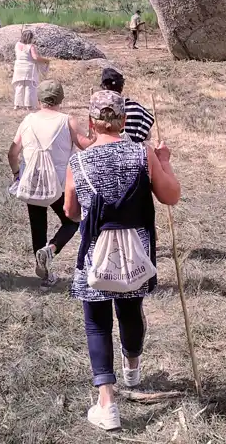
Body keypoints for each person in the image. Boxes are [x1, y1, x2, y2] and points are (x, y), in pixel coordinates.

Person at [63, 90, 181, 431]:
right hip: (136, 253)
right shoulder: (143, 153)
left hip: (95, 255)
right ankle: (132, 366)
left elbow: (71, 213)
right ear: (124, 122)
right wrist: (165, 160)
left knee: (96, 322)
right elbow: (171, 196)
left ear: (91, 123)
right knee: (130, 310)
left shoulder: (78, 163)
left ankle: (107, 403)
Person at [7, 80, 95, 288]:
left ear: (39, 100)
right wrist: (93, 131)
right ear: (61, 99)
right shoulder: (67, 121)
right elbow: (87, 146)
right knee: (72, 221)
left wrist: (17, 174)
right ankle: (52, 248)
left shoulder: (27, 120)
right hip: (59, 184)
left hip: (33, 181)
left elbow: (12, 153)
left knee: (38, 227)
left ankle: (45, 274)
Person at [100, 66, 154, 143]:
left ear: (103, 87)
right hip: (136, 153)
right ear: (121, 86)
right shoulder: (138, 110)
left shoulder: (98, 111)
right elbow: (147, 137)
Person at [12, 30, 49, 110]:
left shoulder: (17, 45)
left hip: (18, 67)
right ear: (31, 37)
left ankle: (17, 105)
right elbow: (35, 57)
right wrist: (45, 60)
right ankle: (28, 105)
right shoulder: (31, 46)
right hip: (28, 68)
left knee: (19, 86)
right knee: (29, 86)